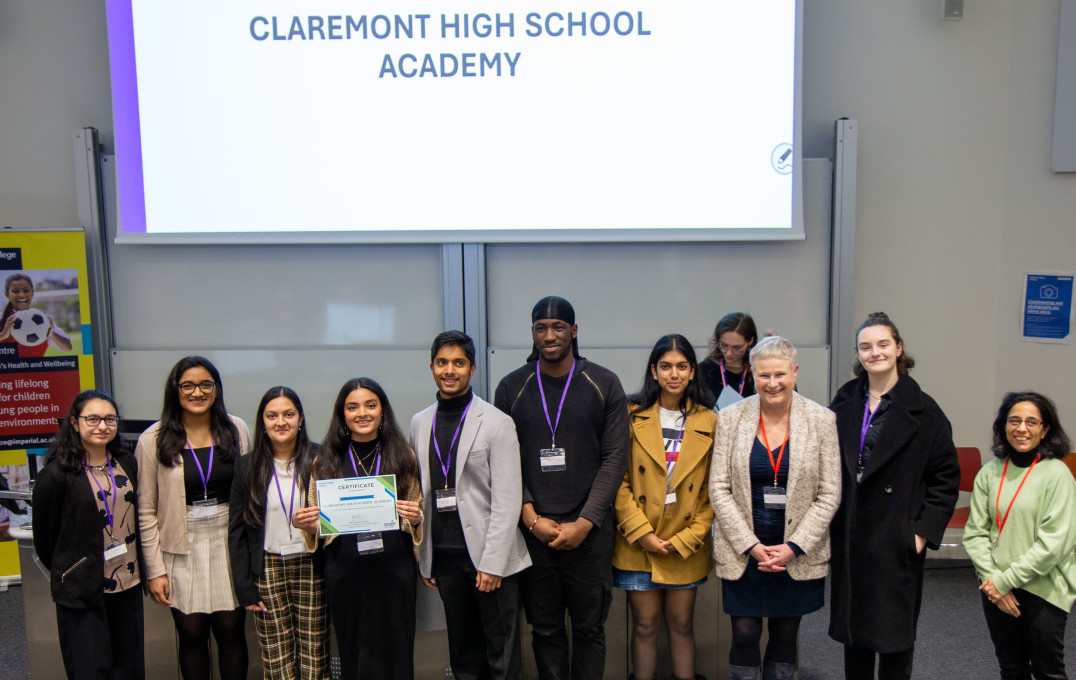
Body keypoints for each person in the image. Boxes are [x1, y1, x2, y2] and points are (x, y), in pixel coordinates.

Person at [493, 295, 629, 680]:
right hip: (534, 533)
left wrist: (585, 522)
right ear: (533, 332)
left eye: (557, 327)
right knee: (545, 630)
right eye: (541, 328)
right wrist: (530, 517)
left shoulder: (604, 383)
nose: (549, 336)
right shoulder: (512, 387)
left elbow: (614, 458)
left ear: (574, 331)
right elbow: (504, 462)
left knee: (589, 630)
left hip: (590, 534)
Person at [828, 313, 960, 680]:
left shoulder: (925, 411)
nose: (875, 353)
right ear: (858, 353)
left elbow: (945, 478)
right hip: (852, 534)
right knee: (855, 637)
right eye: (866, 347)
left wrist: (920, 534)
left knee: (894, 639)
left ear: (898, 348)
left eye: (883, 344)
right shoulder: (844, 401)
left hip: (895, 537)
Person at [709, 336, 841, 680]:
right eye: (764, 375)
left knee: (785, 633)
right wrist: (751, 545)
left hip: (795, 552)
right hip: (744, 551)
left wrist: (793, 547)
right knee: (745, 632)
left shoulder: (821, 420)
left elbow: (829, 493)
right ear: (753, 375)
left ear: (795, 372)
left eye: (780, 374)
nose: (772, 383)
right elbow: (718, 488)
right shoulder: (731, 419)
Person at [410, 331, 531, 680]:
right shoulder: (420, 422)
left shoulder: (496, 422)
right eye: (442, 362)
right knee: (463, 655)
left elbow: (508, 499)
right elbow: (420, 490)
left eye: (458, 363)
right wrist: (426, 557)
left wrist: (493, 564)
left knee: (501, 656)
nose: (450, 370)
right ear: (432, 368)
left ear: (472, 369)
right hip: (446, 558)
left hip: (490, 559)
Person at [292, 377, 423, 680]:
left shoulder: (404, 455)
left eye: (370, 405)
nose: (362, 413)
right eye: (352, 407)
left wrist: (416, 517)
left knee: (397, 649)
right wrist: (306, 524)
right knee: (355, 652)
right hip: (346, 571)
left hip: (394, 569)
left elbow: (417, 510)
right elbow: (316, 521)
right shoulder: (324, 459)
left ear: (382, 411)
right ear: (342, 414)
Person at [135, 356, 252, 680]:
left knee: (232, 632)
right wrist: (155, 570)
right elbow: (145, 510)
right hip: (180, 546)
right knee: (191, 635)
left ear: (217, 389)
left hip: (228, 542)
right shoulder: (152, 439)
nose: (197, 392)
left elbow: (250, 489)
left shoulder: (237, 429)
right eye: (187, 385)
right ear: (175, 389)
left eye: (205, 385)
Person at [614, 334, 717, 680]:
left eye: (682, 366)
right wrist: (642, 533)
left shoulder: (709, 420)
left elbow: (712, 491)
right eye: (666, 366)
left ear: (692, 372)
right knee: (644, 625)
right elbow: (618, 481)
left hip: (684, 544)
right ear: (654, 371)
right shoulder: (630, 415)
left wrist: (687, 538)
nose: (674, 374)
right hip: (638, 542)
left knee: (682, 623)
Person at [963, 391, 1076, 680]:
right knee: (1011, 668)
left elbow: (1053, 545)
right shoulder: (990, 472)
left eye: (1031, 422)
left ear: (1045, 430)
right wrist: (992, 581)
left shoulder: (1057, 474)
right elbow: (975, 533)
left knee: (1048, 671)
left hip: (1043, 587)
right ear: (1003, 426)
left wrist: (1003, 582)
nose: (1021, 428)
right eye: (1014, 421)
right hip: (995, 586)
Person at [33, 390, 144, 680]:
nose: (102, 426)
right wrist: (72, 568)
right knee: (90, 669)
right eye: (92, 419)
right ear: (74, 422)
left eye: (110, 419)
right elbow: (45, 540)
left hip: (127, 579)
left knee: (129, 666)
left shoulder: (126, 461)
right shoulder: (56, 474)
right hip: (82, 585)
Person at [228, 386, 329, 679]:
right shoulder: (247, 466)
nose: (281, 422)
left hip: (312, 564)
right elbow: (237, 529)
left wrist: (317, 525)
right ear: (262, 421)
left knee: (314, 651)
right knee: (275, 656)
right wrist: (243, 585)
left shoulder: (322, 459)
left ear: (301, 419)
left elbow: (338, 517)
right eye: (272, 416)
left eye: (288, 414)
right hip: (267, 568)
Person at [0, 272, 73, 356]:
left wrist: (51, 334)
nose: (21, 295)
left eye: (26, 290)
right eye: (16, 291)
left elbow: (68, 348)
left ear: (32, 293)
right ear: (7, 295)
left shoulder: (42, 319)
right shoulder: (2, 319)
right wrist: (3, 335)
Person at [696, 313, 758, 409]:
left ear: (750, 341)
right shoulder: (704, 370)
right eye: (724, 345)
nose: (729, 353)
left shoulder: (758, 371)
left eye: (737, 347)